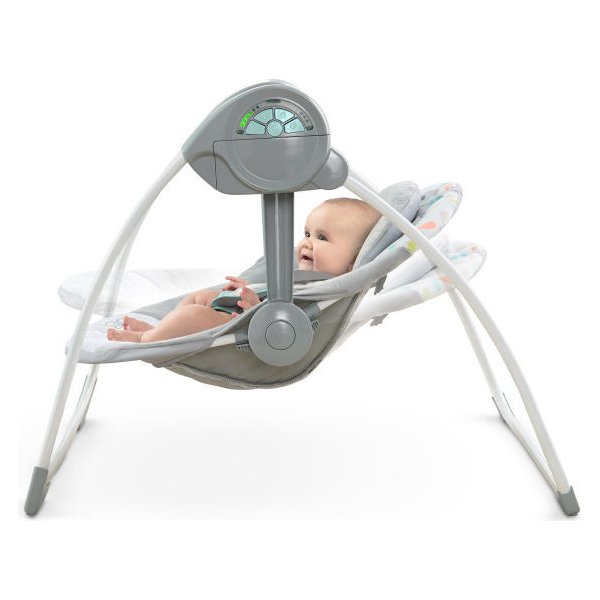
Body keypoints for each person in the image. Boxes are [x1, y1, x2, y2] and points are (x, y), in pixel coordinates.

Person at [106, 197, 380, 343]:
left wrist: (254, 308)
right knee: (199, 297)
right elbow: (274, 291)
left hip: (252, 328)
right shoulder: (306, 274)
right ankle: (160, 330)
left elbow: (294, 314)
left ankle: (145, 338)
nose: (307, 242)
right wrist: (247, 290)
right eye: (307, 233)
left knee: (193, 314)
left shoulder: (328, 289)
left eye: (322, 238)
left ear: (352, 262)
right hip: (240, 312)